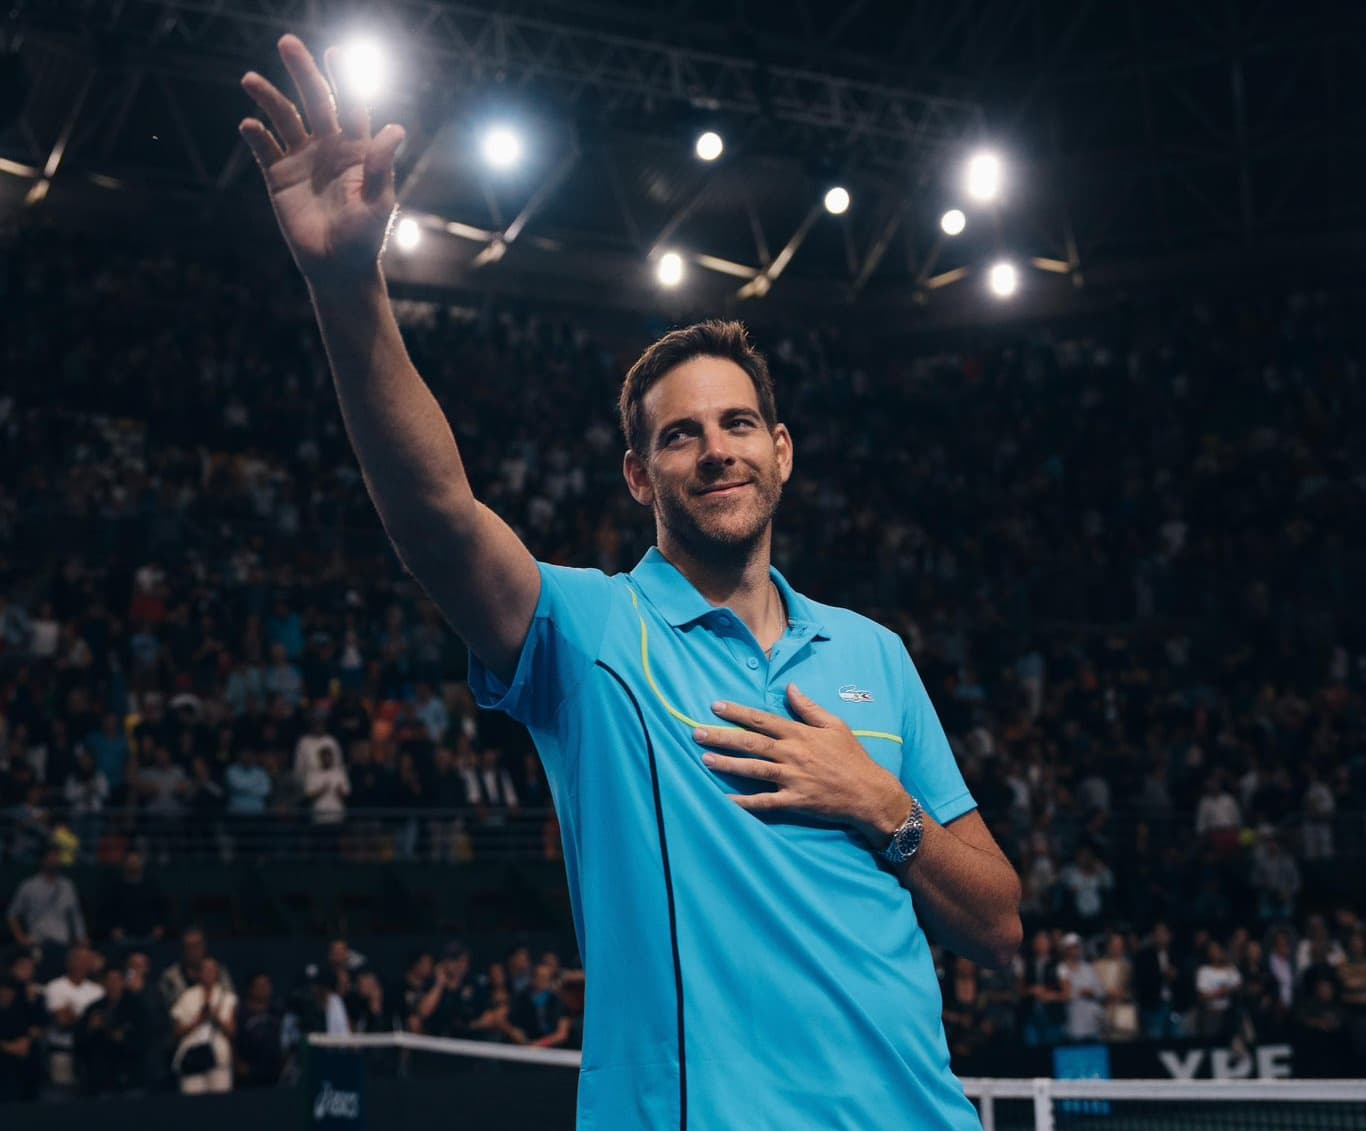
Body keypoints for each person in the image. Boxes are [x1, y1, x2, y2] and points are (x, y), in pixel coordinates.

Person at [240, 35, 1020, 1128]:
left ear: (782, 451)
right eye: (681, 436)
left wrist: (884, 807)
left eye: (739, 424)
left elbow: (995, 919)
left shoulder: (872, 656)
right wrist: (345, 282)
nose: (717, 450)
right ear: (636, 472)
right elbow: (438, 522)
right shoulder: (588, 630)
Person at [6, 848, 88, 974]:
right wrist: (20, 937)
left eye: (57, 856)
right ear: (43, 859)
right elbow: (12, 914)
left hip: (62, 945)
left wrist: (81, 938)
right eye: (51, 856)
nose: (54, 860)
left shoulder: (67, 886)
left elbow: (76, 916)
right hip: (37, 944)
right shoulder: (29, 886)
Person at [170, 956, 237, 1094]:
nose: (208, 973)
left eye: (212, 970)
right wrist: (198, 1020)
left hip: (219, 1059)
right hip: (192, 1058)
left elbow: (232, 1031)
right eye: (205, 970)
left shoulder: (227, 997)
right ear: (199, 973)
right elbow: (177, 1032)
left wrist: (215, 1018)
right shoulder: (187, 996)